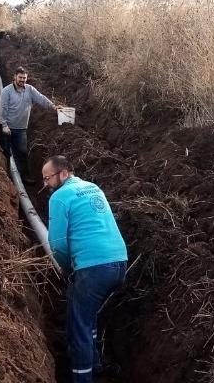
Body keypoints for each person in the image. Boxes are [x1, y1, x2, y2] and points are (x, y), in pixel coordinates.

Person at [42, 155, 128, 382]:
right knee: (86, 316)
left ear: (63, 173)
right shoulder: (92, 187)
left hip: (93, 268)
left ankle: (82, 377)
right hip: (119, 262)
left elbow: (58, 243)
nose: (45, 184)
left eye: (47, 178)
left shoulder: (59, 197)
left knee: (79, 325)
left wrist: (67, 269)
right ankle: (95, 364)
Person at [0, 66, 58, 183]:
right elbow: (2, 108)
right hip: (8, 128)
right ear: (15, 77)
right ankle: (4, 178)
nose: (22, 80)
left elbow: (41, 99)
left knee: (22, 153)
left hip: (21, 129)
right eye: (20, 77)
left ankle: (25, 177)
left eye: (24, 78)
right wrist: (4, 124)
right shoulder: (6, 91)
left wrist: (53, 107)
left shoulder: (30, 90)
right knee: (5, 153)